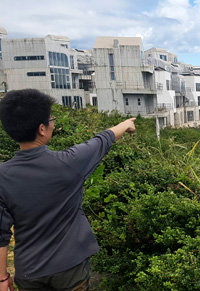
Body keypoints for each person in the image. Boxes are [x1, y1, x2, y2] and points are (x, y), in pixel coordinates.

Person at [0, 89, 136, 291]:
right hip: (70, 268)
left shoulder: (3, 176)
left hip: (29, 271)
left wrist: (2, 278)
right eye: (51, 119)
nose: (53, 123)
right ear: (42, 129)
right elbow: (101, 141)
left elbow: (1, 234)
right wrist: (125, 125)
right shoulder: (69, 163)